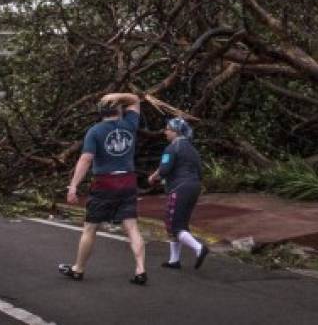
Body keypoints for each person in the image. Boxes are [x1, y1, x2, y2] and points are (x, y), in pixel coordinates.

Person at [59, 92, 147, 285]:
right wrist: (116, 96)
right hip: (128, 181)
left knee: (90, 227)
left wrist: (73, 186)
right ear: (119, 109)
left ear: (101, 112)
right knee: (131, 227)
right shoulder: (130, 125)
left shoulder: (95, 131)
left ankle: (78, 269)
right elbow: (134, 99)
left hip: (104, 184)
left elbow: (86, 159)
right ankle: (140, 269)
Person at [148, 117, 209, 270]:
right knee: (181, 223)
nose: (165, 132)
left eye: (167, 129)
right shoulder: (192, 149)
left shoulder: (171, 148)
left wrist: (154, 177)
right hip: (194, 187)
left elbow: (164, 170)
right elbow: (200, 172)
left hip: (179, 188)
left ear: (175, 131)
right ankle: (174, 260)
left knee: (174, 224)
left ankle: (199, 248)